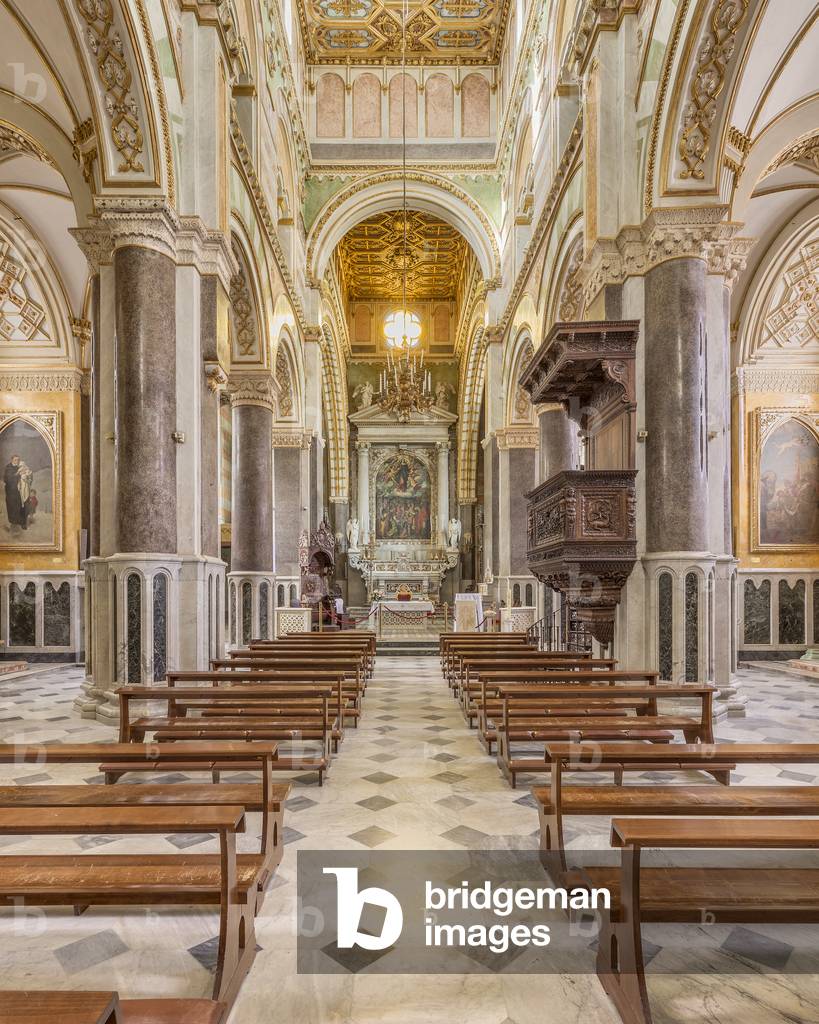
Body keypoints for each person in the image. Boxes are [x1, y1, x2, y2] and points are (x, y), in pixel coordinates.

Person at [3, 454, 24, 529]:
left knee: (18, 504)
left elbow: (20, 477)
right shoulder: (8, 467)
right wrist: (17, 474)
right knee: (11, 505)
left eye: (18, 460)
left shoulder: (18, 467)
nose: (17, 461)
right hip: (10, 490)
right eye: (15, 460)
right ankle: (12, 521)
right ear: (12, 460)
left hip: (16, 490)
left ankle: (17, 520)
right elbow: (7, 479)